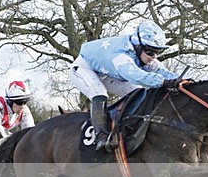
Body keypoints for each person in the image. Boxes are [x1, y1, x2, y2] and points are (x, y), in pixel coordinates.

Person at [70, 20, 182, 156]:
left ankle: (130, 128)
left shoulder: (141, 52)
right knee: (99, 93)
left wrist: (182, 80)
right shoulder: (121, 56)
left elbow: (163, 72)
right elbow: (137, 76)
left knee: (138, 93)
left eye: (157, 52)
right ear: (138, 46)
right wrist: (164, 82)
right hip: (84, 68)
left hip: (106, 72)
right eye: (150, 52)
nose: (153, 57)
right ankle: (101, 137)